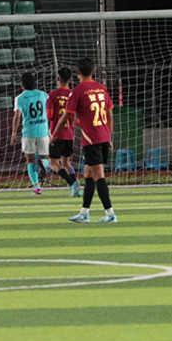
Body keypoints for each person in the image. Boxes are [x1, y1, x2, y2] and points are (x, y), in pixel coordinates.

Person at [52, 58, 117, 223]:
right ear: (93, 72)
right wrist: (109, 137)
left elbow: (66, 116)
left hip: (91, 139)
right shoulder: (102, 88)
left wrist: (55, 134)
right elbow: (110, 115)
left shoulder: (78, 91)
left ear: (78, 73)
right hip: (103, 136)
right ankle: (84, 213)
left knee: (99, 176)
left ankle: (110, 213)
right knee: (88, 174)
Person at [10, 73, 50, 195]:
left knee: (30, 160)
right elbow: (49, 111)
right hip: (43, 131)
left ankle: (37, 187)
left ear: (22, 84)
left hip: (28, 133)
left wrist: (14, 133)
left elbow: (17, 116)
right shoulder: (43, 95)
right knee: (45, 157)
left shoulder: (20, 98)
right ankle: (44, 165)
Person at [48, 67, 80, 197]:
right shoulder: (74, 94)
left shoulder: (52, 95)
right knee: (66, 162)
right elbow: (81, 114)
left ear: (58, 79)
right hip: (69, 134)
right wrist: (76, 123)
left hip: (56, 134)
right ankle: (76, 185)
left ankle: (72, 183)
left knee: (53, 163)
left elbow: (49, 115)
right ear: (71, 79)